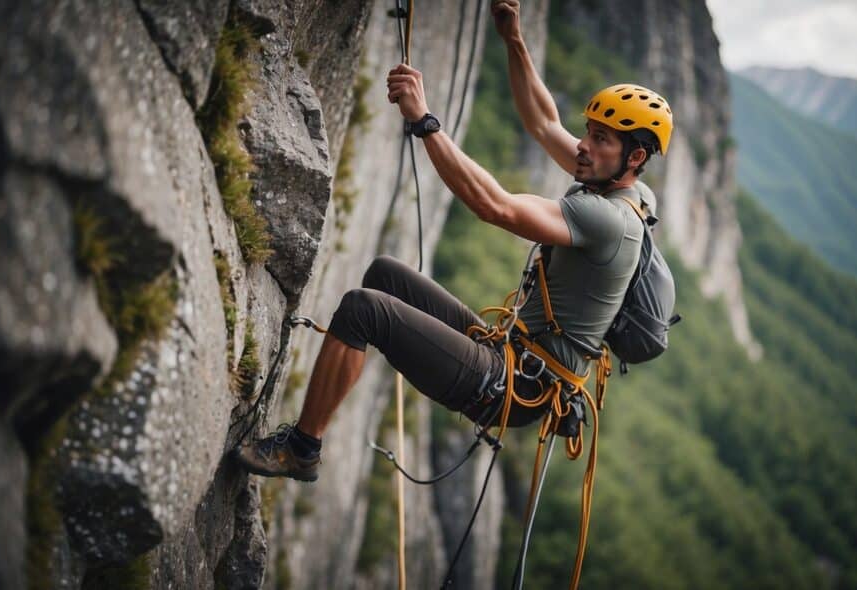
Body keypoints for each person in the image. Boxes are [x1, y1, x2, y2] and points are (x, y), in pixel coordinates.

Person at [232, 0, 673, 482]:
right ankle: (335, 383)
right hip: (512, 355)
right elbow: (545, 124)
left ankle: (302, 449)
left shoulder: (606, 216)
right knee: (383, 273)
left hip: (512, 385)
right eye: (589, 132)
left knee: (365, 309)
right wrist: (514, 42)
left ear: (634, 157)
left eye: (601, 139)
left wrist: (426, 122)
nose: (583, 146)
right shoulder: (624, 186)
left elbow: (496, 207)